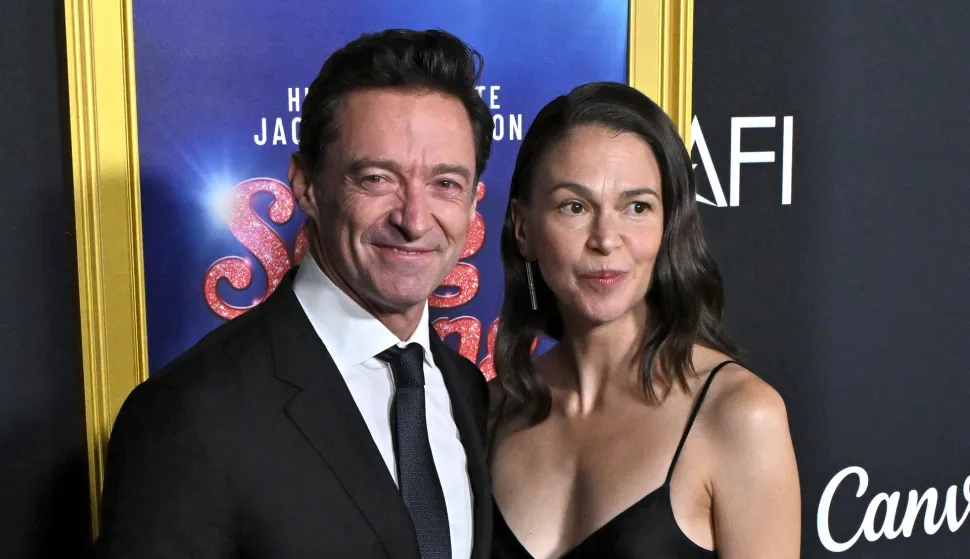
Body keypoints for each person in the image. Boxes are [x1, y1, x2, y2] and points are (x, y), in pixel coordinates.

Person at [93, 29, 494, 559]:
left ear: (472, 203)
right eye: (377, 178)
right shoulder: (189, 415)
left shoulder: (468, 389)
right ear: (305, 185)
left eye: (445, 184)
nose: (414, 220)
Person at [488, 82, 801, 558]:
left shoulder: (739, 415)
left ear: (667, 226)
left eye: (637, 207)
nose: (606, 239)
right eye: (574, 206)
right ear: (523, 228)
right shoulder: (493, 410)